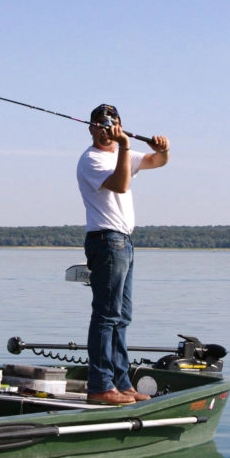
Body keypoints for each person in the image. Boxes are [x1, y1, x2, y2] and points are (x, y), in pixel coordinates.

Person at [76, 104, 170, 404]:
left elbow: (158, 161)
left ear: (119, 125)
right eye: (101, 124)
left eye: (112, 124)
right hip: (106, 241)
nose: (106, 129)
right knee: (106, 315)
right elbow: (120, 184)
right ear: (91, 128)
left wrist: (162, 148)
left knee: (122, 317)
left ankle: (121, 383)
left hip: (125, 242)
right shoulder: (90, 159)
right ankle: (100, 386)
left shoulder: (123, 155)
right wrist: (126, 146)